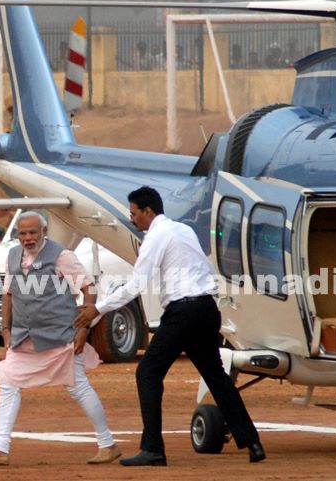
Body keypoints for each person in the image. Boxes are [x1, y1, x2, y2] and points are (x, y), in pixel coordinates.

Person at [75, 186, 266, 467]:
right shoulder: (184, 230)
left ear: (148, 211)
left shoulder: (156, 237)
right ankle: (252, 442)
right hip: (206, 308)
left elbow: (136, 285)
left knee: (148, 372)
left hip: (183, 312)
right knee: (216, 376)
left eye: (134, 213)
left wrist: (98, 308)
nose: (132, 219)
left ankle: (153, 449)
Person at [0, 212, 121, 466]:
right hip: (23, 336)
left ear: (44, 232)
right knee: (8, 383)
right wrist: (6, 330)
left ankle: (108, 444)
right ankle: (0, 448)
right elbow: (8, 294)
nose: (28, 238)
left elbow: (89, 288)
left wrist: (84, 329)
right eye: (23, 233)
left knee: (78, 387)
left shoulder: (62, 256)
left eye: (32, 232)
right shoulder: (13, 255)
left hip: (60, 335)